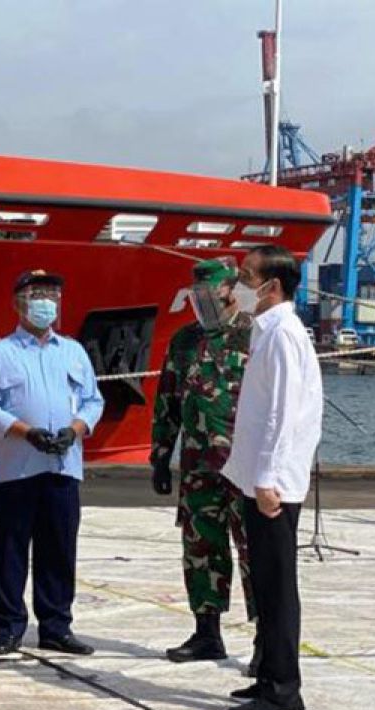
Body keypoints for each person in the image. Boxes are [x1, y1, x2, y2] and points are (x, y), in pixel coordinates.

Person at [0, 270, 104, 656]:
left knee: (59, 549)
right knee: (9, 549)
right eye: (36, 294)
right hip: (16, 467)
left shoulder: (73, 351)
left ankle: (56, 626)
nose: (45, 301)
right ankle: (9, 626)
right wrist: (25, 431)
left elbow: (94, 400)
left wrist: (76, 429)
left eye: (51, 293)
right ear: (18, 303)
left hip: (63, 465)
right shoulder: (0, 353)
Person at [221, 244, 322, 710]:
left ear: (272, 286)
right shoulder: (267, 332)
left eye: (246, 276)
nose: (239, 285)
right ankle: (267, 676)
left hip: (273, 484)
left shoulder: (283, 335)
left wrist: (266, 479)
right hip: (259, 478)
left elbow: (283, 415)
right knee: (264, 581)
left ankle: (285, 691)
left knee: (279, 587)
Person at [150, 260, 258, 667]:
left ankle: (266, 639)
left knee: (254, 554)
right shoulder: (184, 341)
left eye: (210, 296)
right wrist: (161, 457)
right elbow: (167, 404)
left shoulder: (254, 335)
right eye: (198, 298)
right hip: (198, 469)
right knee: (201, 550)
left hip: (245, 468)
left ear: (231, 292)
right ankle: (206, 633)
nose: (204, 304)